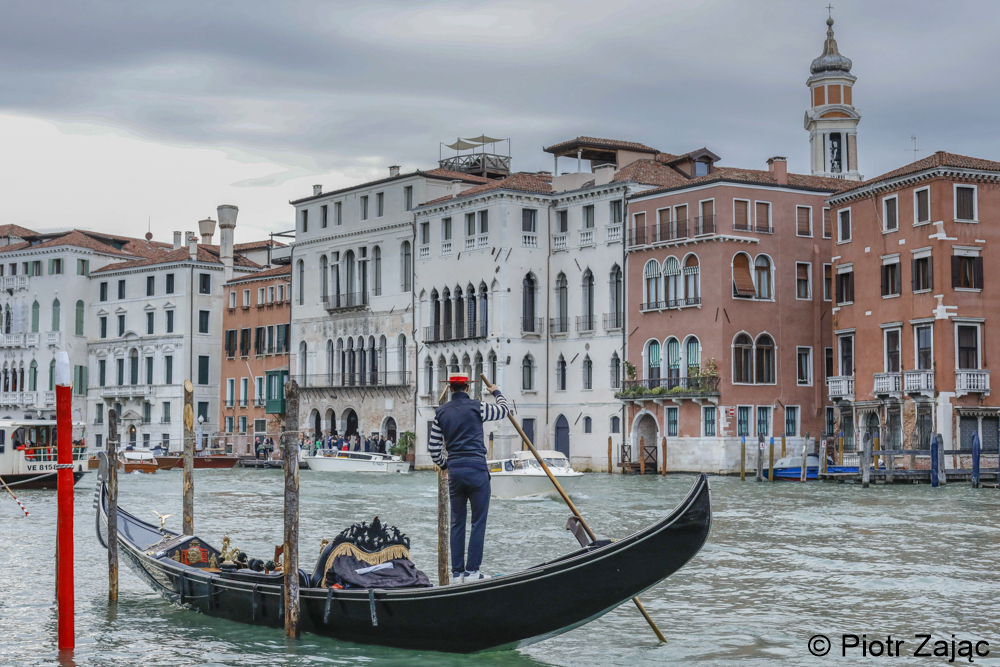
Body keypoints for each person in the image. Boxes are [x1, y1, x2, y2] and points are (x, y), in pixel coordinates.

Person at [428, 372, 509, 584]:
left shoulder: (440, 413)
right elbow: (504, 410)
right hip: (477, 470)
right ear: (467, 388)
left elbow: (433, 449)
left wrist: (446, 466)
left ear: (451, 389)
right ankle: (472, 573)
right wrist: (496, 391)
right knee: (478, 522)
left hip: (455, 471)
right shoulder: (477, 406)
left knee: (457, 522)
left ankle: (457, 575)